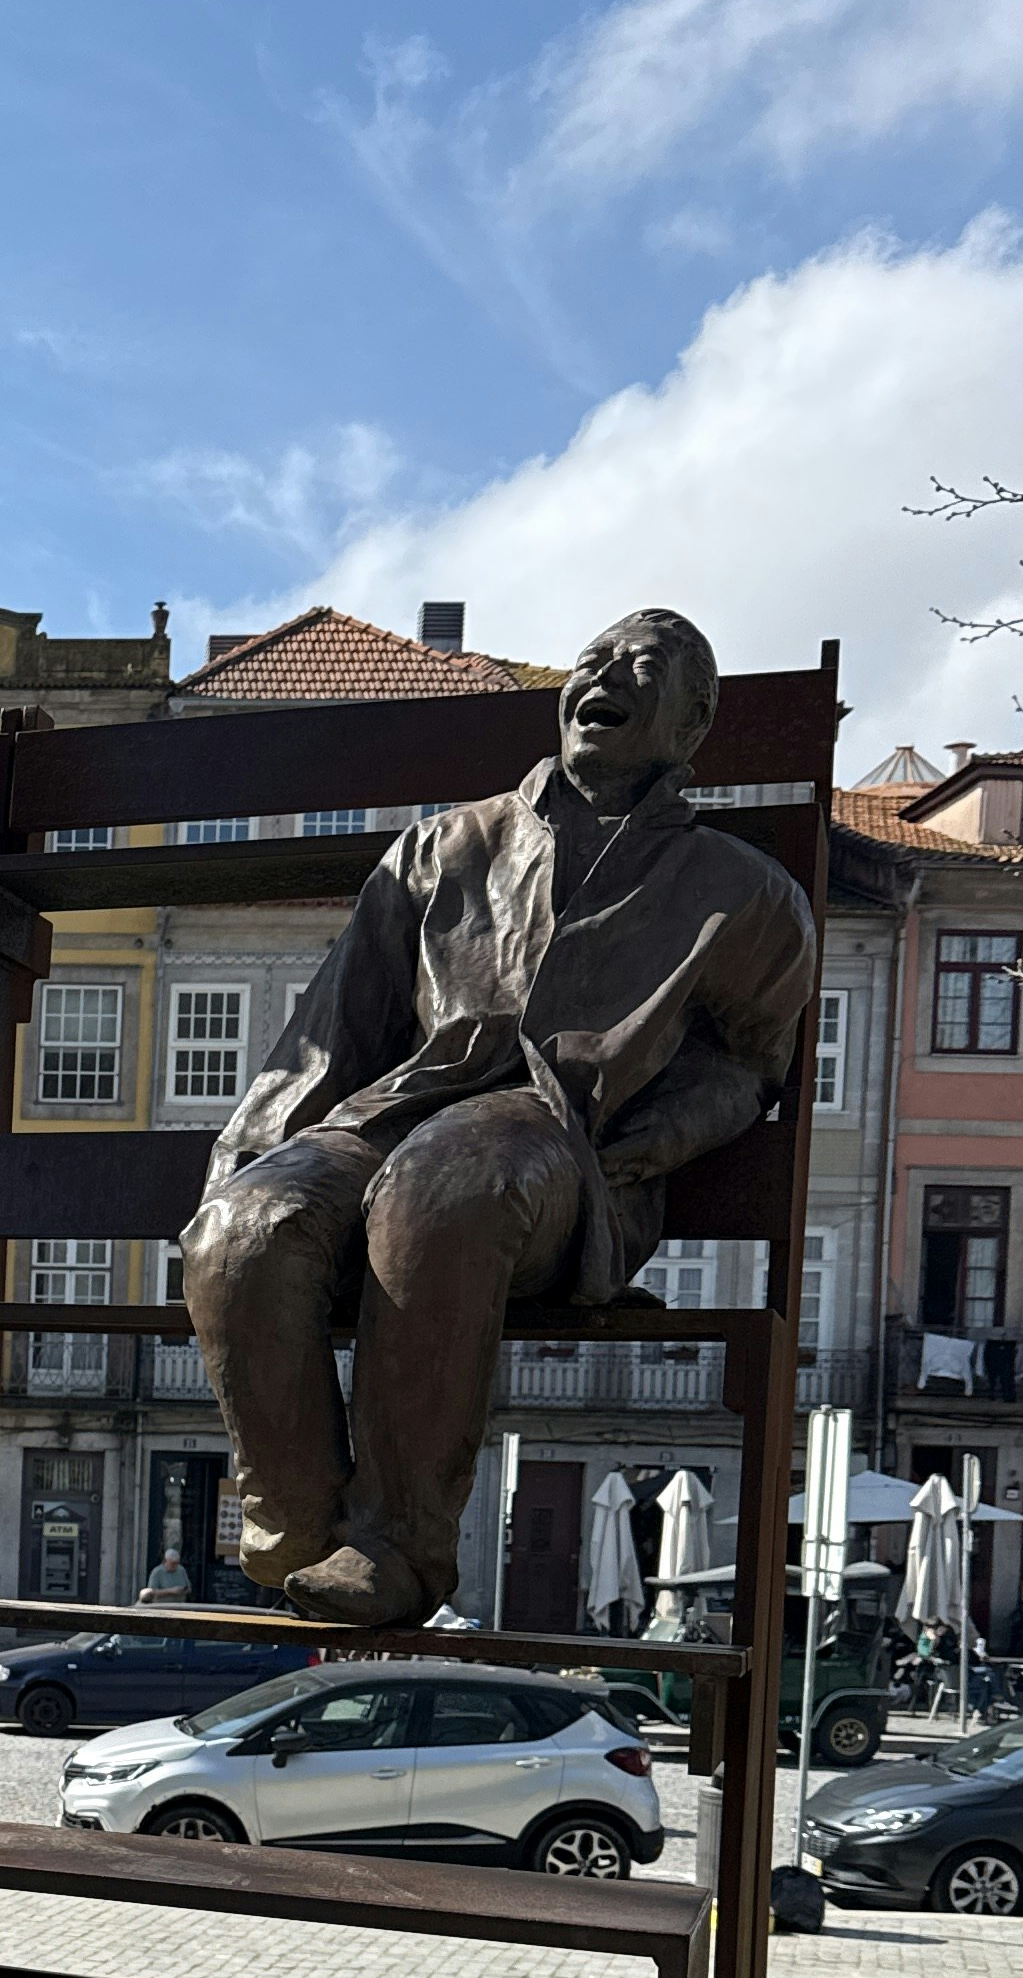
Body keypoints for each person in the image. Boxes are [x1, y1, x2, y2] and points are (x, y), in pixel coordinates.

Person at [179, 608, 817, 1628]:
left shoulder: (744, 893)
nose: (607, 676)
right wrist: (248, 1166)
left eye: (644, 669)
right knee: (243, 1232)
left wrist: (666, 1137)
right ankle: (296, 1518)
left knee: (447, 1183)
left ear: (694, 723)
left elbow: (751, 1063)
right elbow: (332, 1033)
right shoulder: (445, 846)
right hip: (401, 1115)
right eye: (593, 659)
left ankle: (400, 1546)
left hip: (565, 1150)